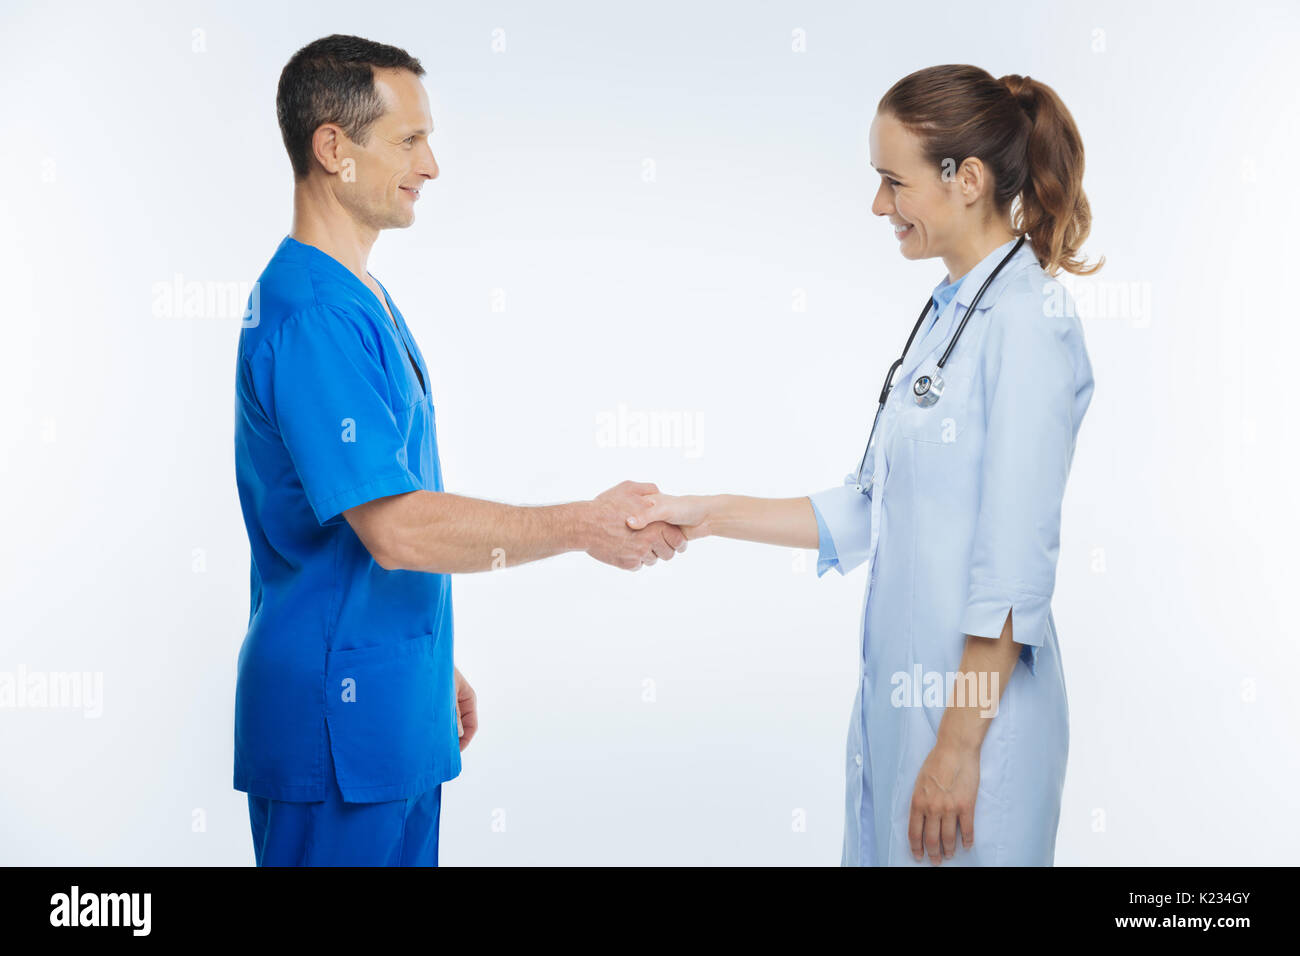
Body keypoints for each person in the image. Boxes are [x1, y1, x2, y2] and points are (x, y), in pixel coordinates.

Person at [628, 64, 1101, 866]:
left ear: (969, 180)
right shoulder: (950, 313)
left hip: (976, 732)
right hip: (908, 715)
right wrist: (703, 514)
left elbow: (1015, 578)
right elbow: (870, 507)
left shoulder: (1028, 323)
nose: (878, 206)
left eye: (893, 182)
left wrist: (954, 751)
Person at [232, 34, 686, 867]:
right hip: (336, 732)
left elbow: (368, 520)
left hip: (386, 704)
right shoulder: (314, 316)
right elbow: (396, 529)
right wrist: (584, 525)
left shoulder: (357, 293)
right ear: (333, 148)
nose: (431, 164)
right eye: (409, 140)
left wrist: (427, 656)